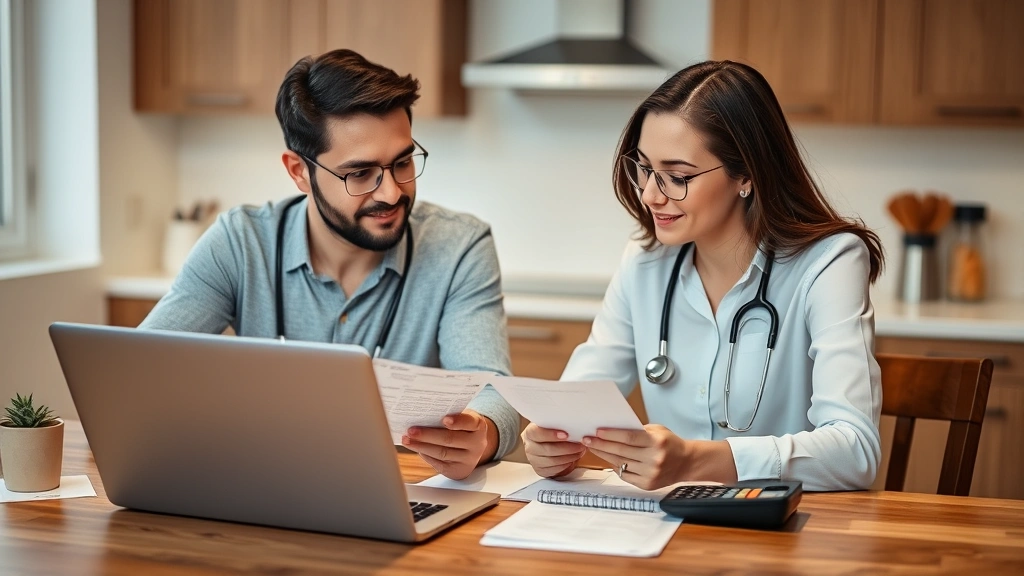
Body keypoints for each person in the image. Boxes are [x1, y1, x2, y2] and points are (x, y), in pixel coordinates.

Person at [140, 49, 519, 480]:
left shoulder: (459, 246)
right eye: (359, 174)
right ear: (299, 171)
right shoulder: (241, 242)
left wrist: (481, 433)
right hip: (261, 485)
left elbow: (492, 389)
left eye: (402, 163)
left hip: (393, 489)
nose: (392, 193)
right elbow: (140, 373)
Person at [521, 60, 885, 492]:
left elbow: (855, 451)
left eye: (678, 177)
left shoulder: (829, 262)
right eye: (644, 168)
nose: (652, 195)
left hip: (788, 531)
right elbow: (575, 401)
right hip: (670, 526)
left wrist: (695, 462)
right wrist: (550, 440)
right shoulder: (644, 263)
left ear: (746, 174)